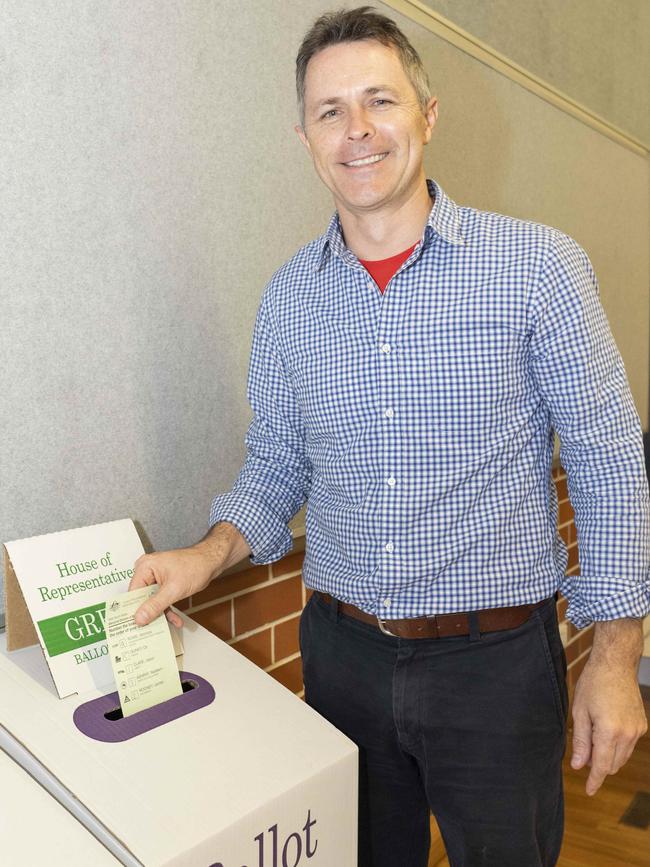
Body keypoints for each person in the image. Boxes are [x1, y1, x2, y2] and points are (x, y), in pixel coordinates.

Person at [130, 7, 649, 865]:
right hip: (343, 662)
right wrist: (207, 554)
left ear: (428, 114)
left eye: (381, 100)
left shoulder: (537, 268)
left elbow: (607, 460)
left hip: (496, 670)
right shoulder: (291, 298)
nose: (358, 129)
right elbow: (276, 465)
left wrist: (616, 655)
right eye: (331, 111)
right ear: (305, 137)